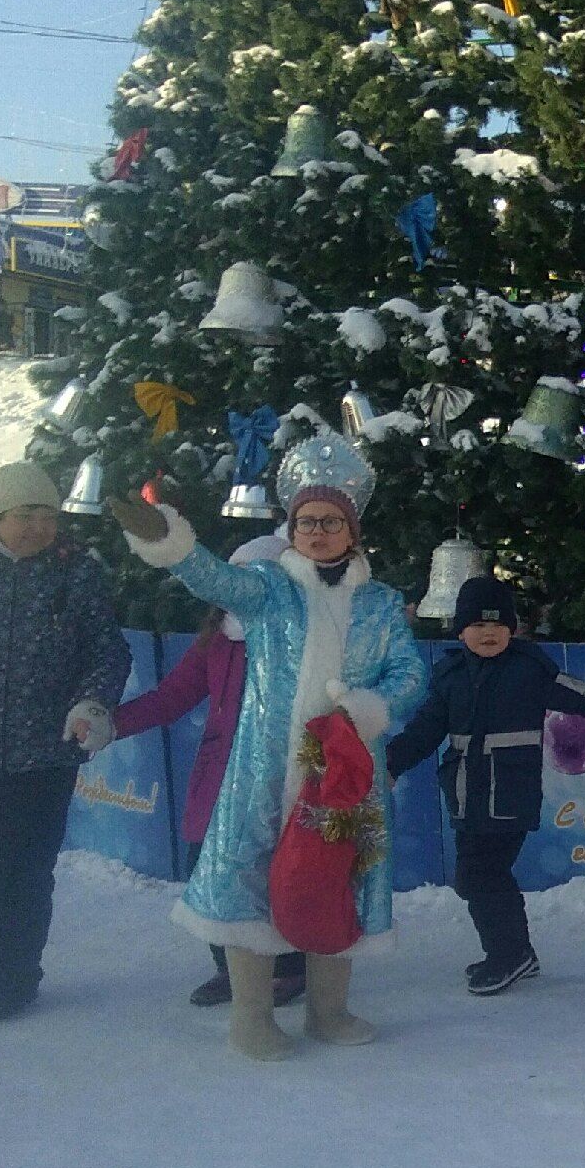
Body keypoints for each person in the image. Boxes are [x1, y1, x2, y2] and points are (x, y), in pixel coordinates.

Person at [110, 432, 427, 1060]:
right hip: (264, 768)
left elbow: (410, 676)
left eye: (331, 521)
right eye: (307, 520)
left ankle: (327, 1012)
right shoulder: (266, 587)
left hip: (344, 773)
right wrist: (167, 541)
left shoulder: (381, 603)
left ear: (351, 530)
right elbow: (209, 578)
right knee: (247, 879)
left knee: (340, 882)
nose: (317, 531)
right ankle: (251, 1017)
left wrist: (369, 711)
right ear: (292, 526)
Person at [386, 575, 585, 995]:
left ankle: (510, 955)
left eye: (498, 625)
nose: (488, 633)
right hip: (467, 793)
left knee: (481, 875)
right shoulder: (449, 677)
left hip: (510, 795)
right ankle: (514, 952)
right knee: (479, 875)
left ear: (512, 629)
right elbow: (424, 732)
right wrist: (389, 766)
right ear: (460, 629)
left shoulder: (531, 671)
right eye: (478, 626)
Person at [0, 461, 132, 1023]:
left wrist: (93, 700)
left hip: (42, 756)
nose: (37, 526)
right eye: (25, 515)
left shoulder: (75, 572)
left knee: (23, 871)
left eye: (47, 515)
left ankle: (8, 981)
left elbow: (108, 650)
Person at [111, 532, 307, 1008]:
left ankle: (288, 967)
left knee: (282, 870)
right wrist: (110, 724)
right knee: (212, 868)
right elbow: (172, 696)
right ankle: (230, 967)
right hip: (218, 776)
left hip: (281, 774)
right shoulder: (217, 639)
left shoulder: (300, 635)